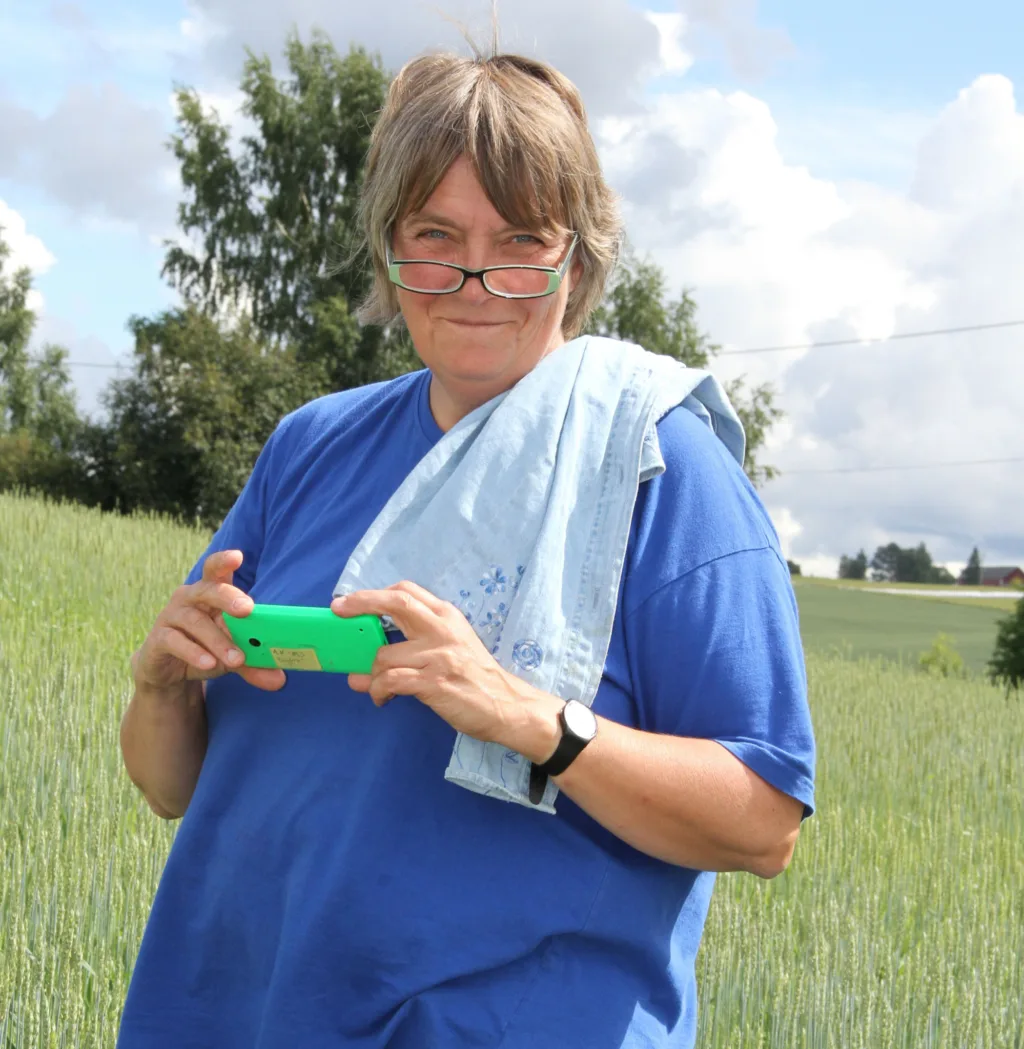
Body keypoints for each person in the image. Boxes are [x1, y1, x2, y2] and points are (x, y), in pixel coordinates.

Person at [117, 46, 815, 1049]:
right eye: (434, 236)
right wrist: (162, 684)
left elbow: (763, 822)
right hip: (231, 1013)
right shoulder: (311, 446)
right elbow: (168, 784)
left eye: (520, 238)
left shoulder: (662, 466)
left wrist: (532, 719)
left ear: (577, 255)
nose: (476, 280)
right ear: (388, 249)